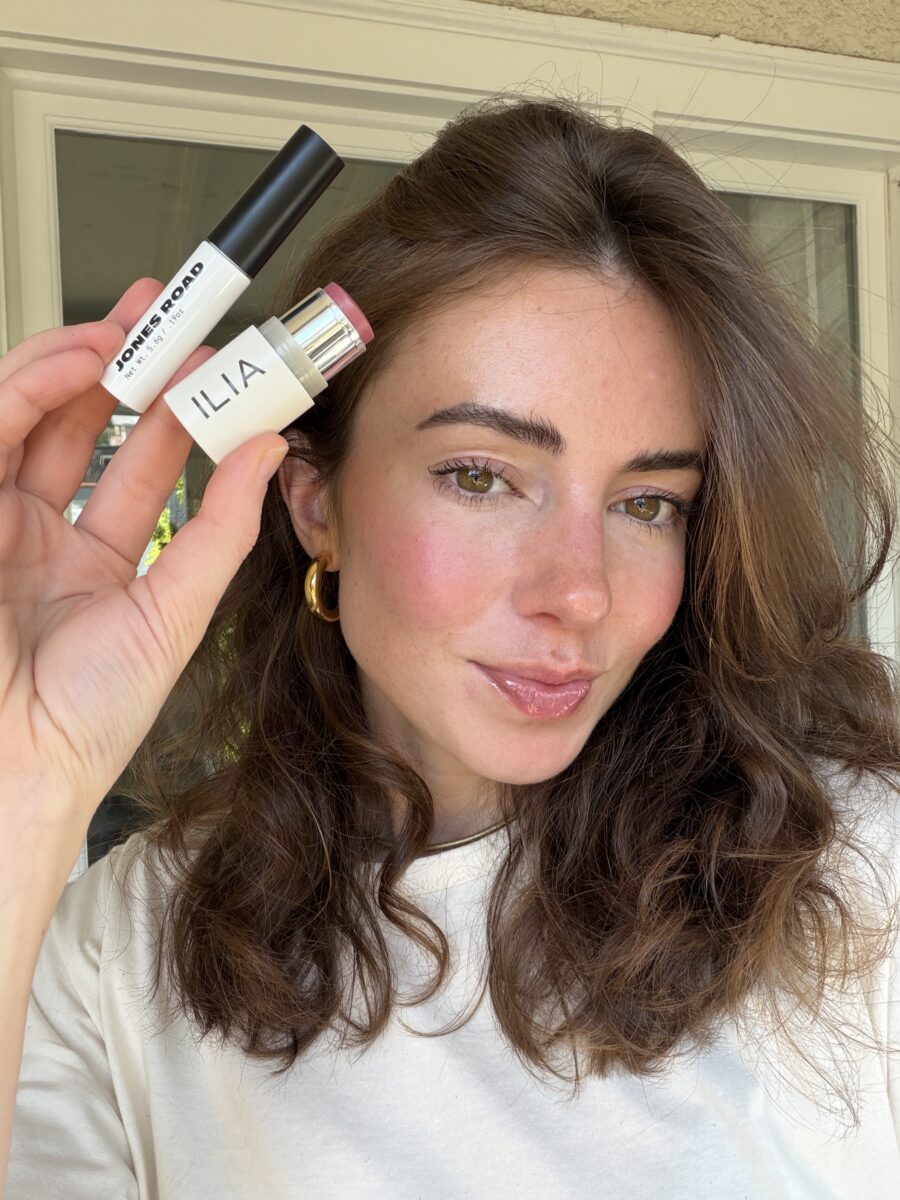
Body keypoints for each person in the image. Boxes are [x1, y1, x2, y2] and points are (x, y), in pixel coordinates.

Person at [2, 92, 900, 1199]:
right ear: (314, 501)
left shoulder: (858, 873)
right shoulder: (121, 952)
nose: (579, 594)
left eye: (649, 502)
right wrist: (27, 783)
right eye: (480, 476)